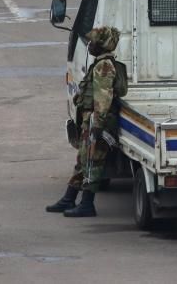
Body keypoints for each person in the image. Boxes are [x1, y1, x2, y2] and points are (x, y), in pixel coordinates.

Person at [46, 25, 128, 217]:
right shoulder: (100, 63)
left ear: (101, 45)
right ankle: (69, 198)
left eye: (93, 42)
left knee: (93, 163)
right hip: (89, 121)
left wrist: (97, 125)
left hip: (96, 121)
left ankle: (87, 204)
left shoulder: (104, 66)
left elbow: (103, 98)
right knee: (84, 160)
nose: (89, 45)